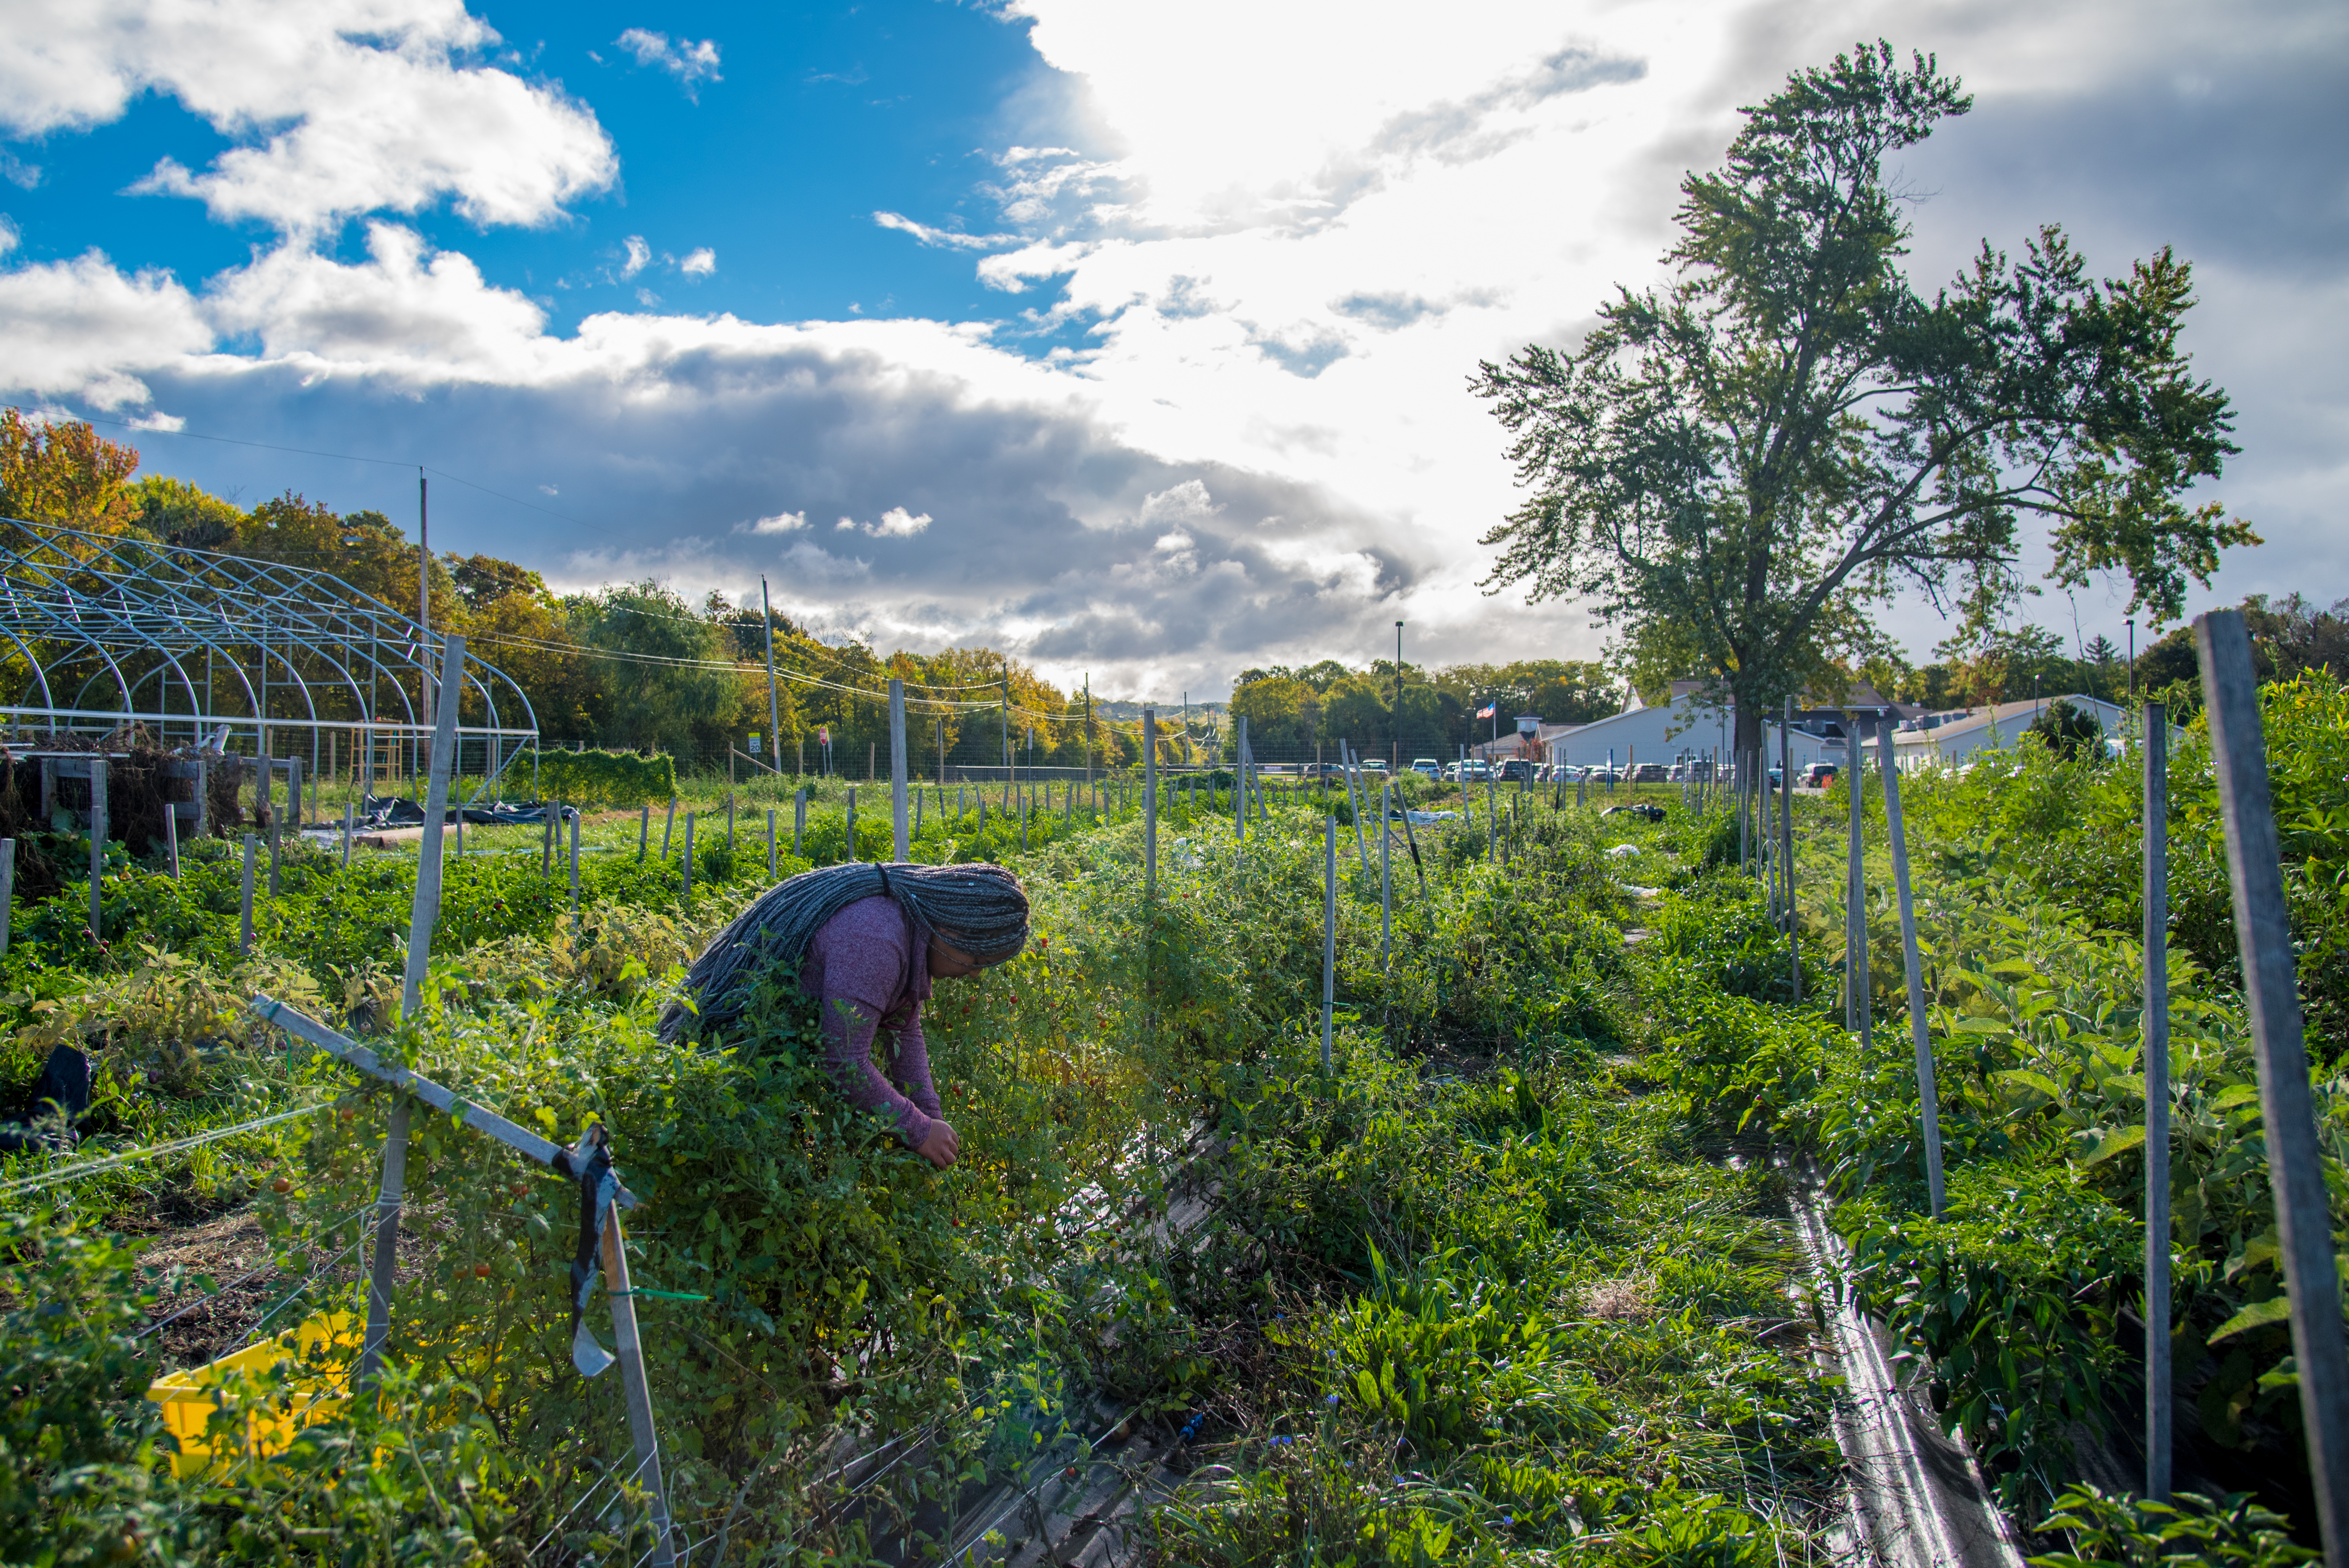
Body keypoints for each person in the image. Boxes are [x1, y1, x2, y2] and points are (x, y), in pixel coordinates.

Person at [661, 861, 1029, 1169]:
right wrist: (917, 1130)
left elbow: (903, 1026)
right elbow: (841, 1062)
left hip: (764, 1055)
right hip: (721, 1049)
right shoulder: (877, 942)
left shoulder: (908, 929)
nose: (976, 973)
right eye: (976, 959)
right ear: (947, 928)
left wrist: (930, 1113)